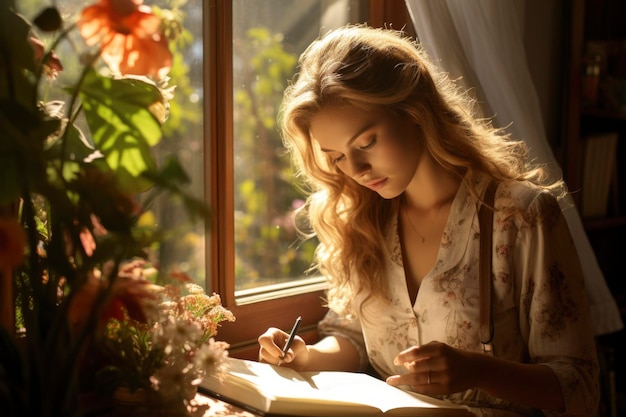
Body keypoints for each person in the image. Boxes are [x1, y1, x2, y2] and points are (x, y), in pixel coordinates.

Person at [257, 25, 598, 417]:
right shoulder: (363, 221)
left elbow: (580, 387)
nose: (356, 169)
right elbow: (352, 335)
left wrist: (478, 371)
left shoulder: (520, 217)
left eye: (366, 142)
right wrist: (305, 356)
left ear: (416, 113)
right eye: (336, 157)